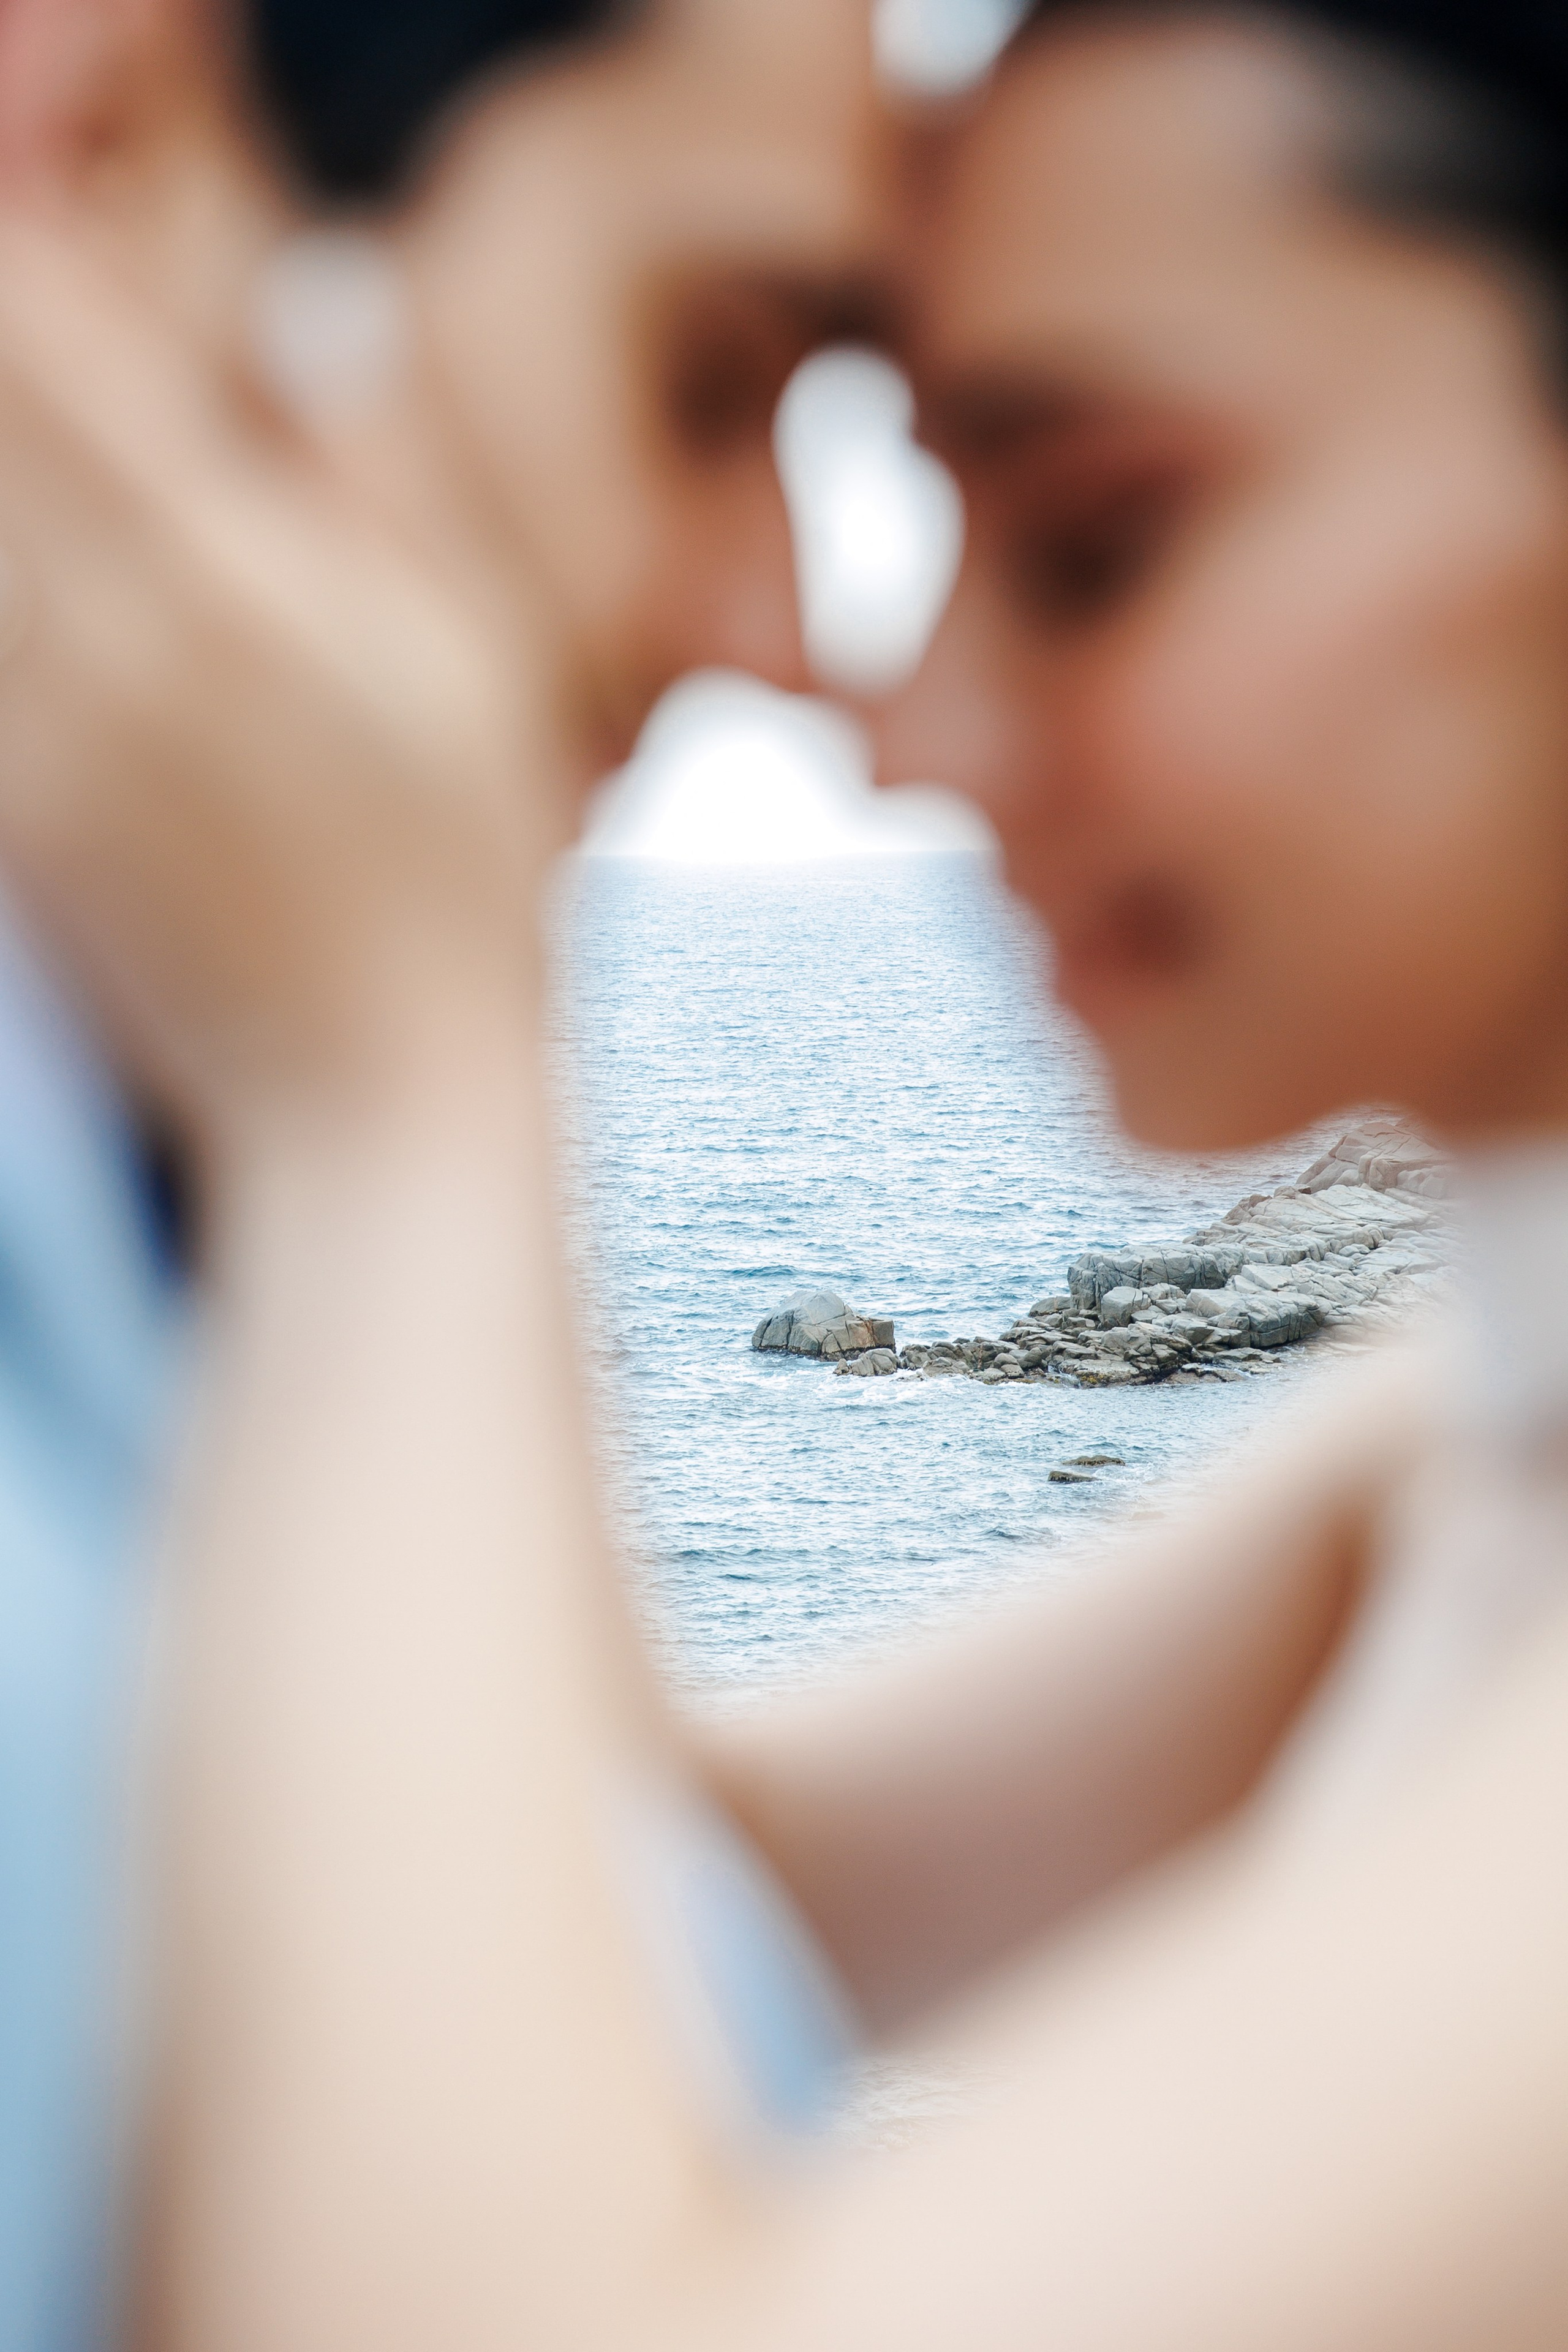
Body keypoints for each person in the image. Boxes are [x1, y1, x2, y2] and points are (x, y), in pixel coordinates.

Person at [10, 2, 1568, 2349]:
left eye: (1098, 545)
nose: (900, 725)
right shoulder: (1453, 1444)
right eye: (711, 387)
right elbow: (643, 1876)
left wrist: (397, 1095)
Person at [0, 0, 884, 2342]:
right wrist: (402, 1090)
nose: (786, 631)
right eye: (709, 380)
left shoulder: (183, 1224)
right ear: (116, 161)